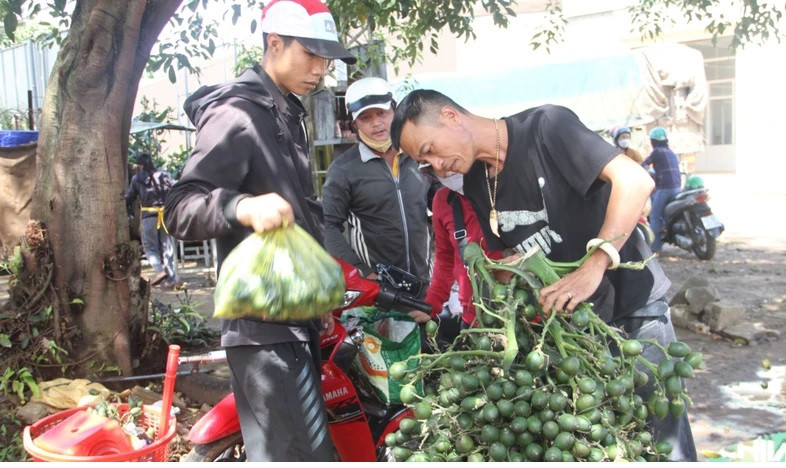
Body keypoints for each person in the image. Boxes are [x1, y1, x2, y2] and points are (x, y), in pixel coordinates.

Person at [390, 89, 697, 461]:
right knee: (615, 445)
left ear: (452, 117)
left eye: (430, 150)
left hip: (633, 311)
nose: (437, 166)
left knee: (665, 446)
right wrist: (498, 283)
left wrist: (595, 263)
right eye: (426, 163)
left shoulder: (545, 128)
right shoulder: (476, 181)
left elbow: (634, 181)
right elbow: (511, 256)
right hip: (577, 334)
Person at [163, 0, 356, 461]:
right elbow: (180, 208)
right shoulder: (239, 115)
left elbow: (301, 215)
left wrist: (315, 301)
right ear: (274, 43)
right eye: (310, 55)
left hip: (293, 320)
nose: (321, 70)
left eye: (326, 59)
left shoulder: (286, 114)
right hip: (263, 333)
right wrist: (241, 205)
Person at [321, 77, 432, 324]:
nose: (376, 123)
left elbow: (442, 210)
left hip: (426, 287)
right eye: (365, 118)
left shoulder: (418, 156)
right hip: (379, 293)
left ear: (395, 110)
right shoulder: (344, 170)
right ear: (354, 124)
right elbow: (327, 226)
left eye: (381, 113)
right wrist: (361, 272)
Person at [424, 173, 502, 330]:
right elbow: (445, 258)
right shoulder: (443, 200)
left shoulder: (506, 188)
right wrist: (432, 303)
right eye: (428, 165)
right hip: (476, 318)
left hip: (527, 313)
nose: (439, 166)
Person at [125, 152, 178, 288]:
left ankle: (160, 271)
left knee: (150, 247)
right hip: (165, 215)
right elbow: (175, 187)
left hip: (149, 216)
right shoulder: (164, 175)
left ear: (140, 165)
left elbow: (130, 197)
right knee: (167, 247)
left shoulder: (137, 179)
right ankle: (171, 280)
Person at [643, 127, 682, 253]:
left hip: (665, 188)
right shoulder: (671, 152)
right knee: (667, 215)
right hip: (677, 187)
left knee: (654, 215)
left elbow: (644, 165)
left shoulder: (657, 152)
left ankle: (654, 247)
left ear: (653, 141)